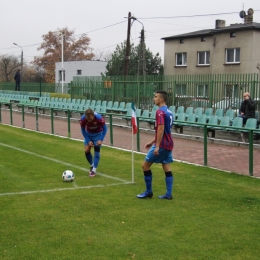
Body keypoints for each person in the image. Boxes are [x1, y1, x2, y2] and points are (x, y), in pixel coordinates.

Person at [137, 90, 174, 200]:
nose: (154, 98)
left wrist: (157, 145)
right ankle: (168, 194)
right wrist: (152, 141)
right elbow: (165, 130)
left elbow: (161, 129)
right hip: (169, 143)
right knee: (166, 167)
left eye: (156, 97)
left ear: (161, 99)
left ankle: (149, 192)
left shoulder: (160, 112)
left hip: (162, 145)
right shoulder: (169, 111)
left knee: (145, 166)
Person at [80, 108, 107, 177]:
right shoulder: (83, 119)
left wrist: (101, 139)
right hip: (89, 134)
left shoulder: (99, 117)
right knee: (86, 150)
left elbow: (105, 128)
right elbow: (83, 130)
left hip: (98, 134)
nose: (89, 121)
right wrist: (88, 140)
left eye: (90, 119)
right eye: (88, 119)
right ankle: (92, 165)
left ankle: (94, 170)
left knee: (96, 151)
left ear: (93, 115)